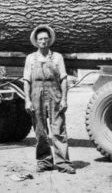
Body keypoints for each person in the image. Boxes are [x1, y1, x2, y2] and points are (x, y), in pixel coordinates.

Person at [23, 24, 75, 174]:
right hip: (36, 95)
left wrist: (64, 99)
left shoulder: (57, 57)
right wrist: (27, 100)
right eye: (40, 39)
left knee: (58, 129)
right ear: (36, 41)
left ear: (49, 40)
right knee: (40, 131)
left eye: (46, 38)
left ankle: (63, 163)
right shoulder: (30, 58)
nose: (43, 41)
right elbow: (26, 81)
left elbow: (64, 79)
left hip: (54, 94)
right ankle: (44, 162)